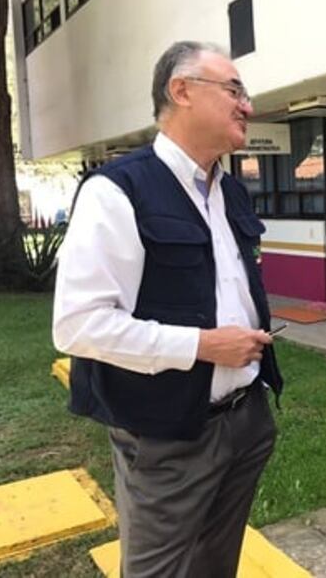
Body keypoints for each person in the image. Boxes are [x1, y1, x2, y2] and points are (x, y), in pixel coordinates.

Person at [53, 41, 283, 578]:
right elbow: (78, 325)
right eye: (234, 90)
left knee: (216, 566)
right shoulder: (117, 191)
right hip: (166, 435)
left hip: (245, 420)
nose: (247, 105)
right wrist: (202, 346)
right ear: (181, 91)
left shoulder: (232, 193)